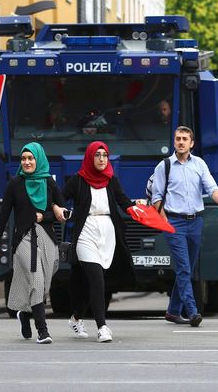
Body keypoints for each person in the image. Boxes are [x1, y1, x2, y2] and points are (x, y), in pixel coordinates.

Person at [56, 141, 138, 343]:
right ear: (90, 157)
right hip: (86, 233)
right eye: (97, 155)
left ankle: (76, 317)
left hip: (107, 233)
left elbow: (124, 202)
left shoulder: (112, 180)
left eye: (105, 155)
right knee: (96, 279)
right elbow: (59, 196)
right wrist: (59, 209)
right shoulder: (78, 180)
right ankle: (102, 327)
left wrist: (139, 209)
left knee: (89, 283)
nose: (101, 159)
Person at [151, 126, 218, 327]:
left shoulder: (200, 164)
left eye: (185, 139)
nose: (180, 142)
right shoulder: (165, 165)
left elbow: (211, 186)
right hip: (174, 222)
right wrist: (164, 220)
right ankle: (193, 311)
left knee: (187, 268)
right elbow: (157, 196)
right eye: (178, 138)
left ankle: (173, 311)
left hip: (195, 221)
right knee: (184, 267)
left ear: (191, 143)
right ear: (174, 141)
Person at [0, 142, 62, 344]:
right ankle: (43, 331)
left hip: (47, 238)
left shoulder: (49, 183)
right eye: (24, 159)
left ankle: (25, 314)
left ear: (39, 160)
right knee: (36, 281)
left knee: (44, 283)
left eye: (31, 158)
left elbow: (61, 213)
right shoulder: (15, 183)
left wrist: (44, 217)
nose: (27, 162)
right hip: (24, 239)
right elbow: (3, 215)